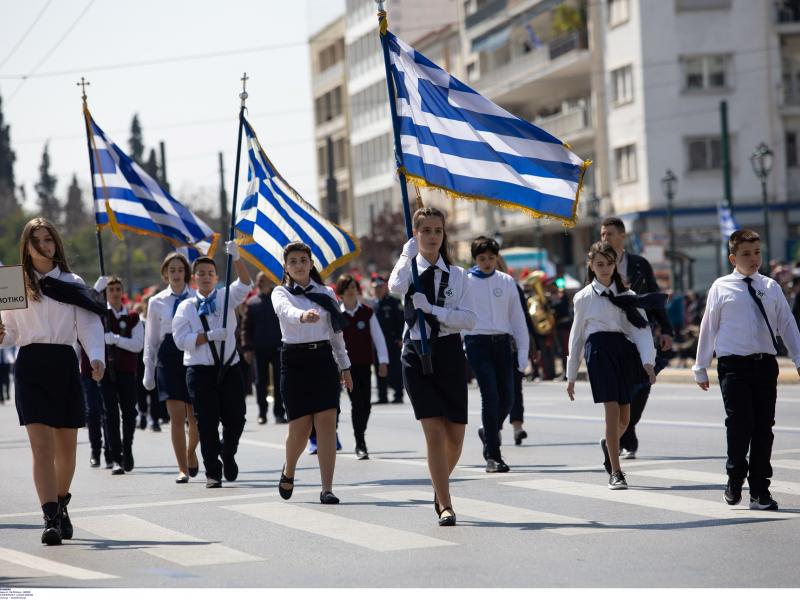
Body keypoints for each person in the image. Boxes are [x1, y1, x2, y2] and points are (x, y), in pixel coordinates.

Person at [0, 217, 105, 545]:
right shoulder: (14, 281)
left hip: (64, 364)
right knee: (41, 448)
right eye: (38, 241)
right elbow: (11, 333)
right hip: (30, 365)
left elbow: (88, 325)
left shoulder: (72, 281)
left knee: (67, 452)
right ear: (27, 248)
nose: (44, 245)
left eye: (49, 240)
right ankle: (49, 519)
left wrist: (97, 357)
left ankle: (61, 502)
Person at [694, 229, 800, 511]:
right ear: (733, 257)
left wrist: (799, 358)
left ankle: (759, 490)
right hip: (734, 366)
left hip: (765, 363)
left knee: (764, 428)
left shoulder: (771, 286)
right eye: (746, 254)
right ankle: (734, 474)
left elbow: (787, 324)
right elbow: (709, 326)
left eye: (757, 253)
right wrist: (700, 367)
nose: (753, 259)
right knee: (740, 424)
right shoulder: (721, 287)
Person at [389, 206, 477, 526]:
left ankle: (438, 486)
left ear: (444, 234)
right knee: (435, 434)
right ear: (416, 234)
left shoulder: (458, 275)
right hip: (416, 353)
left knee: (456, 437)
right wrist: (404, 255)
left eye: (437, 231)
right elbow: (394, 287)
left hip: (450, 353)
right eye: (425, 230)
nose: (431, 236)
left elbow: (468, 318)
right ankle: (446, 503)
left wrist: (437, 311)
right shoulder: (409, 270)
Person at [566, 241, 657, 490]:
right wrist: (571, 375)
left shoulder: (627, 296)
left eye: (608, 263)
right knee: (612, 412)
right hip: (598, 353)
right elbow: (576, 337)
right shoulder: (583, 297)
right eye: (599, 264)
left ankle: (609, 444)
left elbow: (641, 330)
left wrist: (648, 362)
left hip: (623, 352)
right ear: (591, 266)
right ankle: (616, 472)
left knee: (625, 420)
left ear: (615, 264)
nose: (604, 268)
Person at [272, 241, 353, 505]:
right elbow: (285, 311)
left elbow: (336, 334)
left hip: (322, 359)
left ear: (311, 264)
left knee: (327, 424)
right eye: (293, 261)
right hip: (294, 361)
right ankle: (289, 469)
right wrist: (301, 316)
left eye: (303, 260)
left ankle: (327, 488)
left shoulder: (327, 293)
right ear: (285, 266)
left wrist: (345, 366)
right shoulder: (280, 293)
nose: (298, 265)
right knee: (300, 428)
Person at [172, 242, 253, 489]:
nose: (206, 277)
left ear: (217, 277)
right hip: (200, 371)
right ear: (193, 278)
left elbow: (246, 283)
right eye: (201, 274)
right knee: (206, 423)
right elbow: (179, 340)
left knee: (236, 418)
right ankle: (213, 472)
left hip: (229, 368)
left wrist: (237, 258)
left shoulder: (227, 296)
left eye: (210, 273)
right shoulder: (186, 306)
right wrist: (207, 336)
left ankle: (227, 453)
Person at [600, 216, 673, 459]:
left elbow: (654, 296)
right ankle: (621, 436)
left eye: (609, 233)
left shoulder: (639, 264)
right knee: (621, 388)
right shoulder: (597, 264)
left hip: (641, 331)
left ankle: (626, 429)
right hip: (612, 336)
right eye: (602, 234)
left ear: (622, 236)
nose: (605, 238)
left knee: (642, 386)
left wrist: (666, 329)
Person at [464, 236, 529, 473]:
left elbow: (518, 320)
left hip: (502, 343)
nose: (487, 262)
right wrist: (463, 340)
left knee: (508, 398)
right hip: (477, 342)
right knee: (490, 396)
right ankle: (493, 455)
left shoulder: (507, 281)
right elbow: (458, 313)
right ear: (475, 259)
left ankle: (488, 430)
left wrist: (523, 354)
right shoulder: (466, 281)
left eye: (491, 257)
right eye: (482, 258)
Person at [142, 252, 200, 484]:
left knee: (195, 417)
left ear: (186, 273)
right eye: (171, 270)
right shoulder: (156, 302)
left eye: (180, 270)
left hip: (192, 352)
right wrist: (149, 368)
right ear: (165, 274)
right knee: (176, 416)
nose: (176, 274)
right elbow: (151, 339)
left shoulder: (197, 297)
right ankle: (182, 468)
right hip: (168, 355)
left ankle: (190, 451)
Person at [89, 276, 144, 474]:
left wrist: (116, 339)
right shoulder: (101, 316)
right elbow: (89, 302)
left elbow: (137, 344)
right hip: (106, 372)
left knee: (129, 413)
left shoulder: (132, 317)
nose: (114, 292)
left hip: (127, 371)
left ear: (122, 292)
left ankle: (127, 448)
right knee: (110, 414)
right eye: (110, 289)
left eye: (117, 289)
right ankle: (116, 454)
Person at [336, 274, 389, 459]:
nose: (351, 291)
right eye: (347, 288)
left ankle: (360, 435)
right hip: (346, 368)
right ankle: (360, 442)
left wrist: (383, 361)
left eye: (353, 287)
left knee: (365, 405)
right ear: (341, 293)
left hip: (365, 365)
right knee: (356, 403)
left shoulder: (367, 312)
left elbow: (378, 337)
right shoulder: (337, 315)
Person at [242, 272, 286, 424]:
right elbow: (246, 328)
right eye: (259, 280)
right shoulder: (252, 302)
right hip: (259, 348)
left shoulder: (278, 300)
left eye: (263, 279)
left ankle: (279, 413)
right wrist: (246, 348)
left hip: (279, 347)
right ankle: (262, 413)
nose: (260, 282)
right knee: (261, 382)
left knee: (280, 381)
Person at [371, 275, 404, 404]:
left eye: (380, 287)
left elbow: (401, 321)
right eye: (375, 287)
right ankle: (382, 395)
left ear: (386, 287)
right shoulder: (373, 304)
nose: (378, 290)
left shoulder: (394, 303)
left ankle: (398, 394)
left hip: (392, 340)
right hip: (377, 342)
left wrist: (400, 338)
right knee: (379, 367)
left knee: (395, 368)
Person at [132, 301, 161, 432]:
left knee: (155, 392)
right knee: (140, 390)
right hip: (140, 361)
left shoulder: (158, 323)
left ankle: (154, 419)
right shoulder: (140, 322)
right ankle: (143, 414)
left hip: (155, 361)